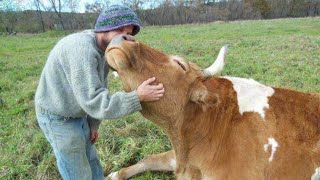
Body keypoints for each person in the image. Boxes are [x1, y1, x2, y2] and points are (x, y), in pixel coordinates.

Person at [34, 5, 165, 180]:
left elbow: (99, 86)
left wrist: (93, 124)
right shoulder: (81, 49)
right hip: (58, 116)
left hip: (76, 111)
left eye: (128, 33)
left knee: (91, 158)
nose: (123, 37)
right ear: (103, 27)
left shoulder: (104, 49)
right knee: (77, 169)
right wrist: (137, 96)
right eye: (119, 29)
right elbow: (94, 100)